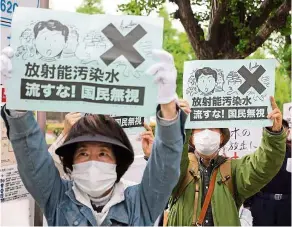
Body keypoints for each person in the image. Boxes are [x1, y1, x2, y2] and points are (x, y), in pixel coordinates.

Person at [0, 47, 187, 226]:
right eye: (83, 153)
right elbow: (31, 156)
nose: (93, 162)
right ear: (71, 162)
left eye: (103, 153)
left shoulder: (140, 203)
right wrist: (17, 100)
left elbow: (166, 164)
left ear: (117, 161)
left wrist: (168, 105)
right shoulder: (57, 198)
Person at [142, 97, 286, 226]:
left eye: (212, 128)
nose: (206, 133)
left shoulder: (234, 170)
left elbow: (263, 165)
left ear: (222, 137)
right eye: (199, 129)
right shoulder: (182, 167)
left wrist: (273, 135)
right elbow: (165, 173)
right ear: (191, 138)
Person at [243, 119, 291, 226]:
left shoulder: (291, 153)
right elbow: (251, 177)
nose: (277, 133)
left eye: (281, 130)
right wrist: (249, 203)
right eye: (273, 130)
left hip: (287, 205)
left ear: (287, 132)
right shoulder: (258, 153)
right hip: (263, 203)